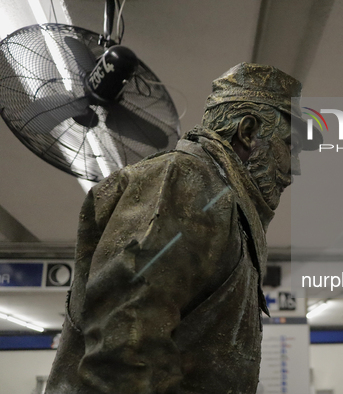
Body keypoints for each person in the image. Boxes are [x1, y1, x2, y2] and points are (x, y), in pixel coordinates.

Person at [45, 63, 322, 394]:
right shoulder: (186, 182)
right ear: (247, 131)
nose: (296, 168)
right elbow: (125, 350)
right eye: (290, 146)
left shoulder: (224, 205)